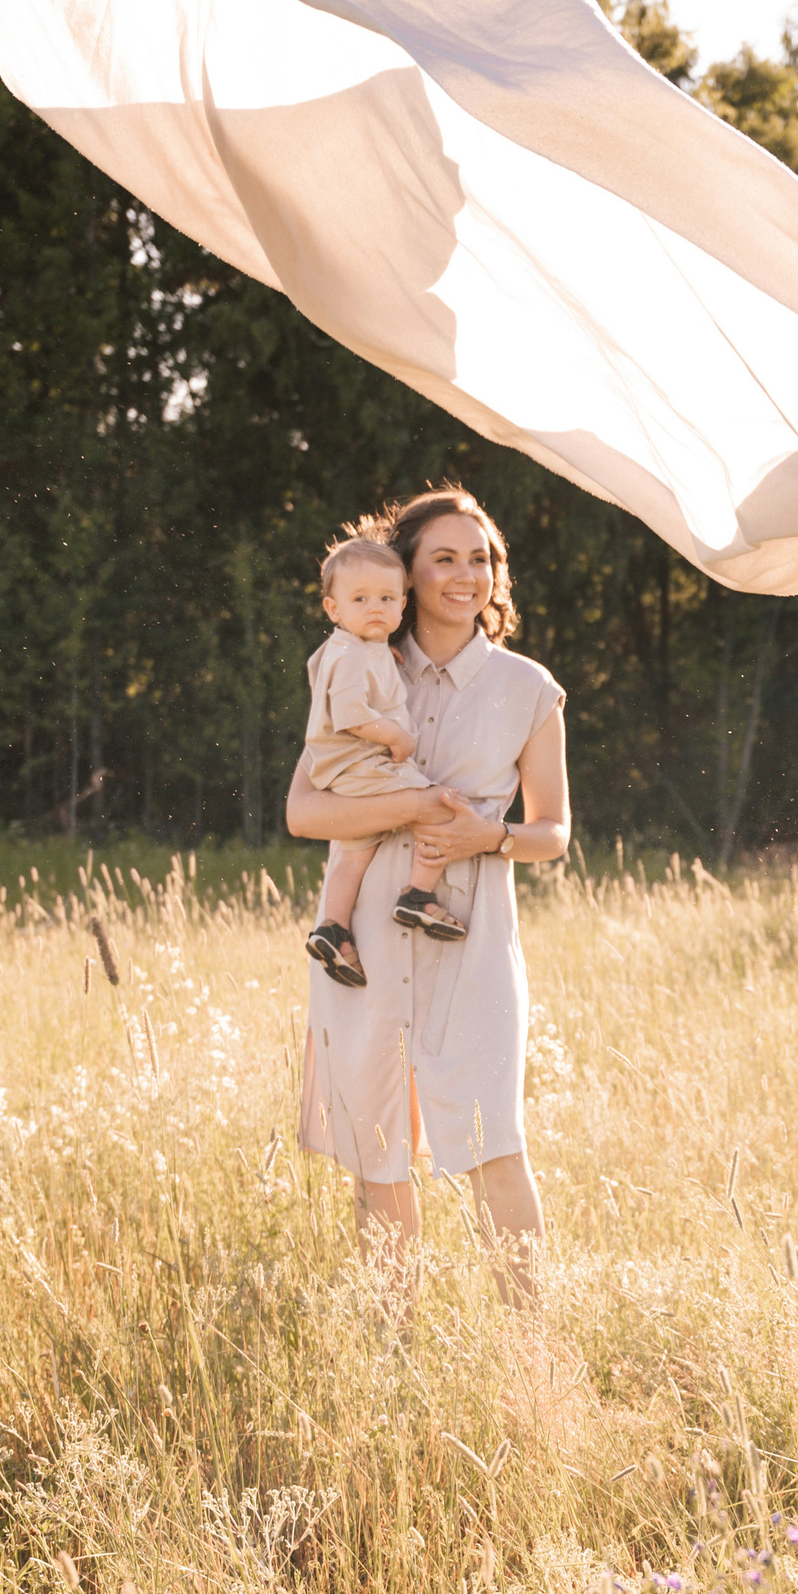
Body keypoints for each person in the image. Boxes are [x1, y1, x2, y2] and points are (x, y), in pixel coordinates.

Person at [286, 487, 570, 1306]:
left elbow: (553, 831)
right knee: (379, 1151)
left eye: (479, 558)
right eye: (443, 557)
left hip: (469, 938)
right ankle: (393, 1349)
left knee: (492, 1144)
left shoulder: (527, 688)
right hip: (365, 938)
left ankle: (529, 1347)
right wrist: (412, 807)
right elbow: (305, 811)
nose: (465, 574)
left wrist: (490, 836)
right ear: (406, 573)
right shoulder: (355, 664)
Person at [302, 531, 468, 990]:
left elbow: (325, 669)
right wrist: (394, 735)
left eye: (386, 598)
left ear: (401, 606)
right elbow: (352, 713)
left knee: (356, 851)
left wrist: (378, 653)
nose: (375, 608)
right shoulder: (355, 656)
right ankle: (417, 894)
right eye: (360, 599)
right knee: (439, 806)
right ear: (333, 609)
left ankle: (332, 929)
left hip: (340, 771)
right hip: (363, 763)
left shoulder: (350, 649)